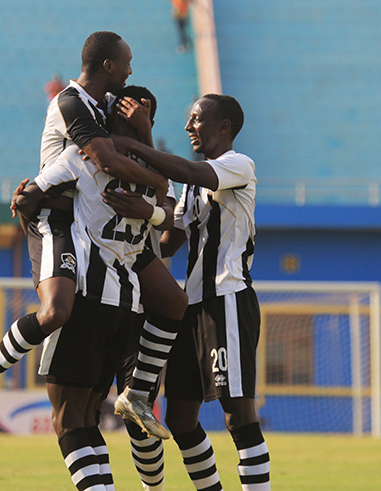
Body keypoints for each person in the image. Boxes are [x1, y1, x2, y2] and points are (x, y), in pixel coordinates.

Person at [0, 32, 183, 444]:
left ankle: (138, 394)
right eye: (127, 61)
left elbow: (157, 193)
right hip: (57, 220)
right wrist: (159, 178)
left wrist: (146, 135)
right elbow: (106, 158)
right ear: (108, 65)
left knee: (171, 300)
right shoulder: (71, 101)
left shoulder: (109, 104)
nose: (132, 70)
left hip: (103, 230)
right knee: (58, 310)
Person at [11, 85, 172, 490]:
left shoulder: (83, 155)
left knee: (70, 417)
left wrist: (27, 211)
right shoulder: (151, 169)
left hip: (88, 295)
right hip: (132, 307)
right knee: (109, 418)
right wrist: (154, 209)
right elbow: (169, 206)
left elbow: (29, 197)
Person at [107, 94, 271, 489]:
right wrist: (125, 239)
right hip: (192, 307)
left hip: (227, 300)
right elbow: (170, 237)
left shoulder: (238, 166)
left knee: (238, 414)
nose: (188, 127)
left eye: (196, 119)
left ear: (223, 126)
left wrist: (132, 143)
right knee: (181, 419)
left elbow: (186, 170)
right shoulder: (193, 189)